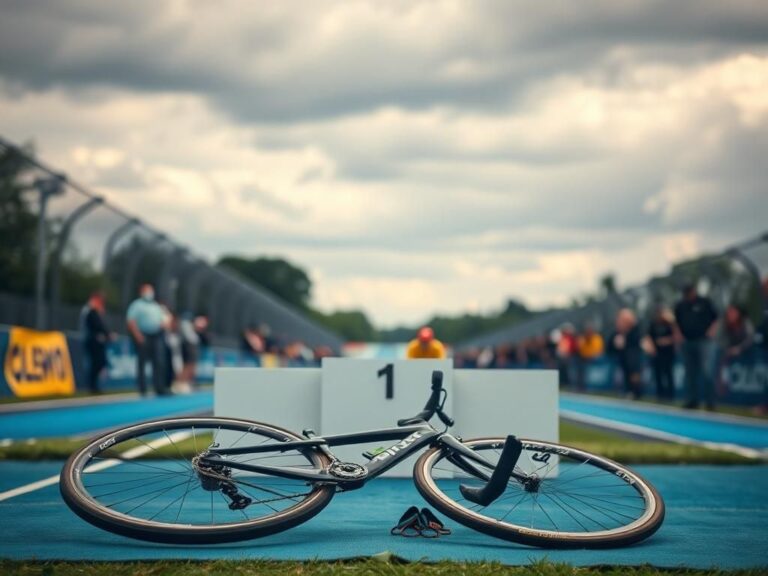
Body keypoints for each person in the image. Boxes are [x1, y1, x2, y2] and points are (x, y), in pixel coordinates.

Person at [674, 283, 718, 410]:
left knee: (707, 371)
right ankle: (692, 400)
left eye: (689, 291)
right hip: (687, 341)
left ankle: (710, 402)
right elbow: (676, 322)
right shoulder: (681, 305)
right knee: (690, 373)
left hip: (704, 341)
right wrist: (679, 336)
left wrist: (711, 331)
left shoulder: (705, 302)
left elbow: (716, 318)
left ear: (694, 290)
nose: (687, 294)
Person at [126, 284, 169, 396]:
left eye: (150, 290)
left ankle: (159, 388)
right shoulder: (136, 305)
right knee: (142, 362)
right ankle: (142, 389)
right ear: (141, 292)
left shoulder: (155, 306)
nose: (149, 293)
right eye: (147, 290)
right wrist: (138, 335)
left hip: (157, 335)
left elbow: (163, 320)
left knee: (159, 362)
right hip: (143, 335)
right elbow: (131, 321)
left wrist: (164, 324)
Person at [610, 308, 644, 399]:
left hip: (633, 355)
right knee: (626, 374)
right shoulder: (619, 332)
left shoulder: (635, 329)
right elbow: (611, 344)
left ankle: (636, 392)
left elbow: (637, 341)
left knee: (634, 374)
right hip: (624, 356)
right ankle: (628, 390)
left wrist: (625, 341)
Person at [80, 292, 110, 394]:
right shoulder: (89, 311)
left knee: (100, 362)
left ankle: (94, 386)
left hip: (97, 341)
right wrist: (107, 334)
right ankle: (92, 386)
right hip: (91, 340)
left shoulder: (95, 311)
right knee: (95, 363)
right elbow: (96, 325)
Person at [647, 306, 677, 400]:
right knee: (658, 374)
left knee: (668, 373)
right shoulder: (654, 324)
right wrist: (651, 347)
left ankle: (670, 395)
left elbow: (677, 336)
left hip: (668, 353)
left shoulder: (670, 324)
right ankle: (660, 395)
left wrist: (666, 341)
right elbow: (649, 336)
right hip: (657, 352)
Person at [576, 323, 604, 391]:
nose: (588, 333)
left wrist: (590, 355)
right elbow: (580, 351)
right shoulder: (582, 339)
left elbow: (598, 351)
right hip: (585, 358)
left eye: (590, 331)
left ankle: (589, 386)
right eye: (587, 331)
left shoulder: (597, 339)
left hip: (595, 359)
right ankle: (581, 386)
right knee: (579, 364)